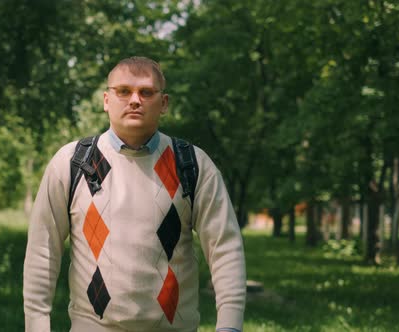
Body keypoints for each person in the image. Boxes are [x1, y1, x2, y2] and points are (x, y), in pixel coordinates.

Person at [23, 56, 246, 332]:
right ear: (106, 99)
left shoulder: (191, 164)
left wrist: (230, 326)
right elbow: (42, 250)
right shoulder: (73, 163)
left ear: (163, 103)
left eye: (146, 92)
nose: (135, 100)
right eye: (124, 91)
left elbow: (224, 247)